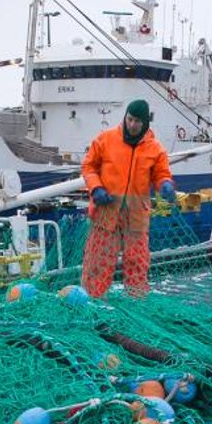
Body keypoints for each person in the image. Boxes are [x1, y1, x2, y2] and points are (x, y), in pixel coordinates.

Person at [80, 99, 176, 298]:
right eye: (130, 119)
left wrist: (165, 184)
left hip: (136, 215)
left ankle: (137, 303)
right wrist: (96, 188)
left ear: (145, 123)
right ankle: (93, 302)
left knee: (137, 262)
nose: (132, 125)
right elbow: (89, 167)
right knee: (98, 261)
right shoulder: (105, 139)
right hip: (106, 211)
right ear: (125, 116)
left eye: (137, 122)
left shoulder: (155, 149)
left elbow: (161, 175)